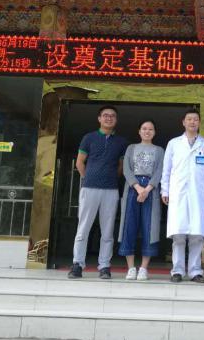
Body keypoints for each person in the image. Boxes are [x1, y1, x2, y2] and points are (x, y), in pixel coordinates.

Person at [68, 105, 128, 280]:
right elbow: (80, 162)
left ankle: (104, 266)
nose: (109, 118)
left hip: (111, 190)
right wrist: (88, 178)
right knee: (83, 228)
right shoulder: (89, 138)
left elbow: (121, 166)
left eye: (112, 116)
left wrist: (111, 178)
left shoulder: (121, 142)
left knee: (107, 231)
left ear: (116, 120)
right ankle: (77, 264)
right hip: (89, 188)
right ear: (99, 118)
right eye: (105, 115)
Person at [161, 108, 204, 283]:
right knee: (178, 235)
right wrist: (165, 190)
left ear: (199, 122)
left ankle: (195, 271)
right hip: (178, 194)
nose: (192, 122)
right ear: (183, 122)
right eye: (189, 119)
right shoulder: (173, 144)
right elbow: (166, 170)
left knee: (196, 235)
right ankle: (177, 271)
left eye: (195, 119)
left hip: (198, 194)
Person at [117, 120, 165, 281]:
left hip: (151, 188)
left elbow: (160, 171)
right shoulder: (131, 148)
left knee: (149, 227)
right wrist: (138, 188)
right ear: (139, 131)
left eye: (150, 129)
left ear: (154, 132)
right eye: (144, 128)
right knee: (128, 225)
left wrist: (147, 189)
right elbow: (126, 169)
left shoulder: (159, 150)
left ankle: (144, 268)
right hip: (132, 187)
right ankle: (131, 268)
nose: (147, 131)